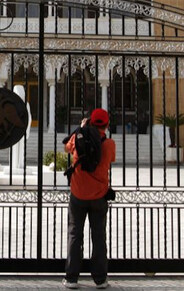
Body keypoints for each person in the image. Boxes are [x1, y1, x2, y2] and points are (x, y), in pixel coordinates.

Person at [62, 108, 116, 289]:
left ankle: (71, 278)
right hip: (99, 196)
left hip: (78, 194)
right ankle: (100, 279)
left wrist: (81, 130)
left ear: (90, 122)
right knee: (99, 236)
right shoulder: (109, 144)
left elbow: (67, 148)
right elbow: (109, 160)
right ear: (107, 124)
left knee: (75, 233)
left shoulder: (79, 139)